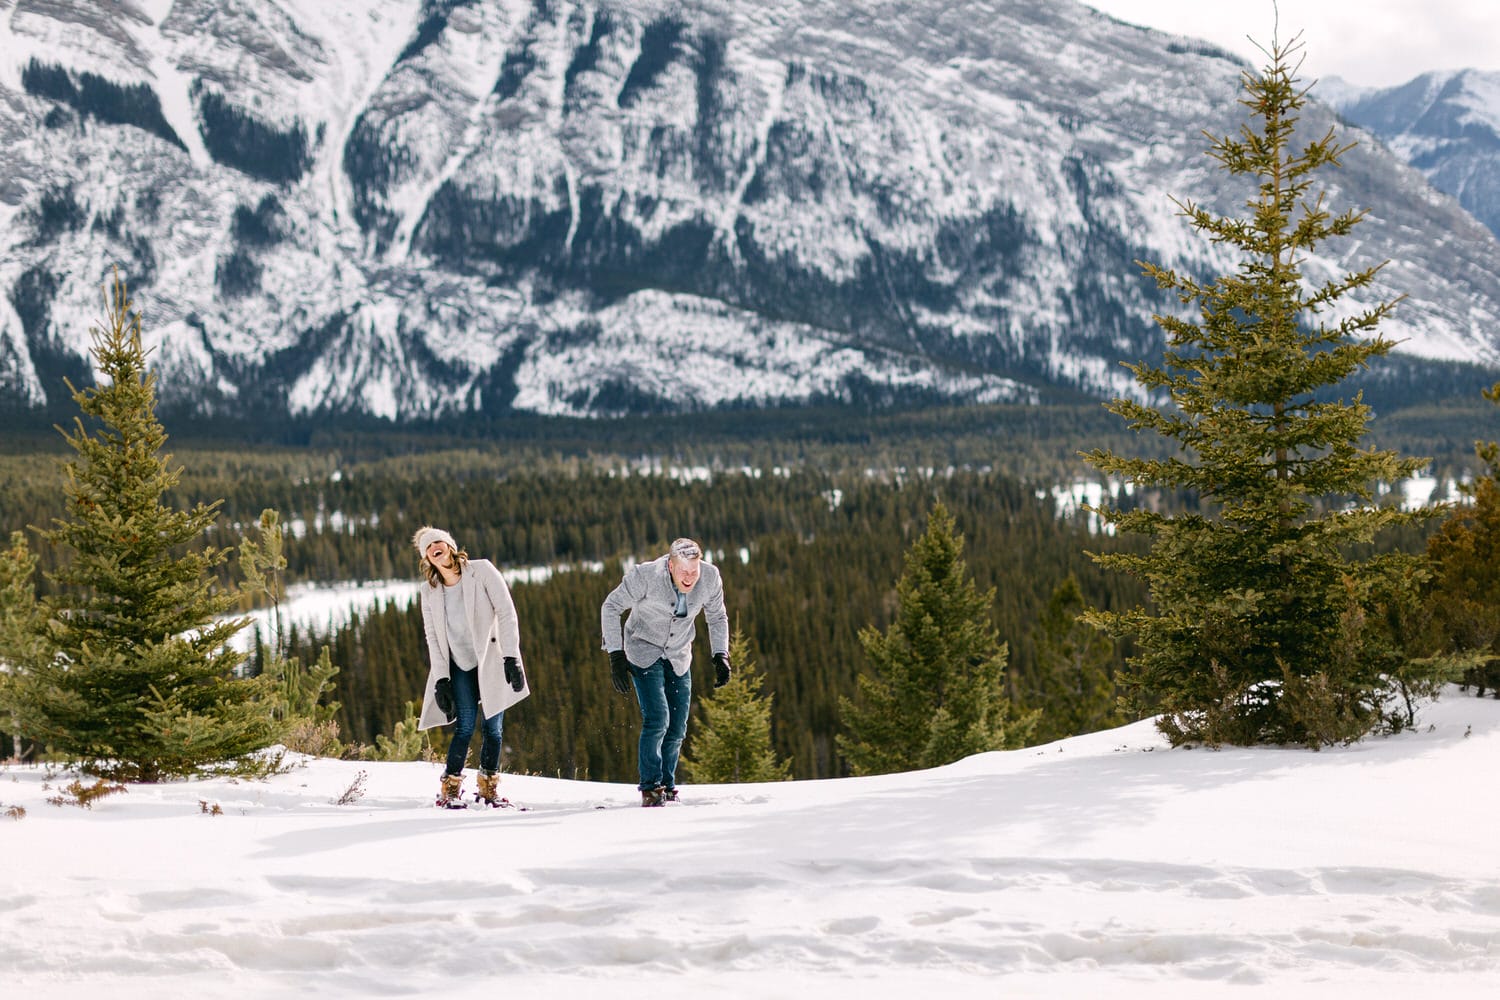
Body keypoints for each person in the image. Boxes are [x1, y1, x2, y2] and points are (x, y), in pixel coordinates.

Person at [600, 537, 731, 806]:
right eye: (683, 571)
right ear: (670, 565)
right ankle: (651, 787)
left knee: (678, 726)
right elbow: (610, 607)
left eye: (693, 571)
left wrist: (720, 654)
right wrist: (615, 654)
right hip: (643, 649)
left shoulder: (710, 577)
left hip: (679, 653)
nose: (689, 578)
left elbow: (717, 616)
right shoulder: (644, 576)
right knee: (658, 718)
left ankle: (668, 786)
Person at [413, 526, 529, 808]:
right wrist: (441, 678)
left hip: (491, 658)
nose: (433, 548)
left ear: (450, 546)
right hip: (460, 665)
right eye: (428, 548)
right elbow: (433, 637)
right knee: (465, 725)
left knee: (494, 728)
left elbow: (506, 612)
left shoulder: (481, 571)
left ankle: (488, 788)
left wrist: (511, 657)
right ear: (427, 559)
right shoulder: (429, 592)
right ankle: (450, 788)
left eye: (437, 542)